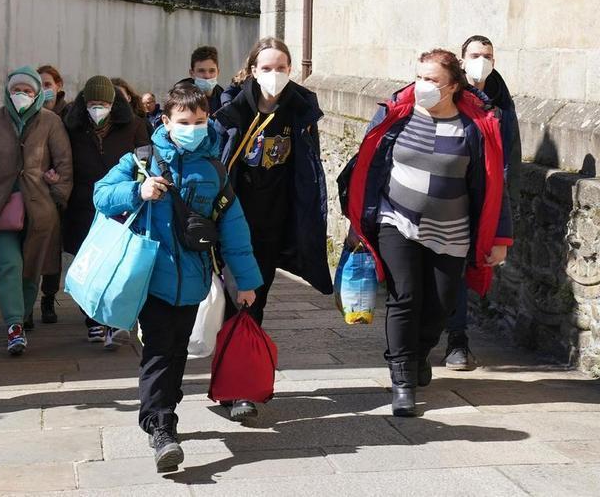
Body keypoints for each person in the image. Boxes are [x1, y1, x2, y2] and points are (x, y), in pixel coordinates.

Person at [94, 85, 262, 473]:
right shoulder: (141, 160)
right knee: (158, 350)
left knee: (176, 351)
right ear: (166, 122)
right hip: (151, 278)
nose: (193, 128)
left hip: (194, 283)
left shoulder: (214, 170)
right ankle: (160, 426)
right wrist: (138, 191)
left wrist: (246, 281)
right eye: (184, 122)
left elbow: (234, 229)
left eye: (200, 121)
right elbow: (101, 195)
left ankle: (165, 413)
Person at [339, 48, 513, 417]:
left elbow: (493, 183)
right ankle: (402, 381)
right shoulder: (395, 115)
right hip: (396, 220)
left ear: (453, 85)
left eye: (431, 79)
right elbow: (367, 166)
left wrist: (500, 236)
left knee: (442, 302)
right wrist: (357, 221)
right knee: (404, 296)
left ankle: (418, 353)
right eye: (419, 77)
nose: (422, 86)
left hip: (450, 229)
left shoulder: (476, 126)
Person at [213, 36, 333, 421]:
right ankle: (233, 382)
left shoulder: (299, 110)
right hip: (232, 221)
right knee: (233, 301)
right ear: (253, 70)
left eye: (281, 67)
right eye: (267, 68)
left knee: (254, 302)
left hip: (274, 223)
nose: (275, 74)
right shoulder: (231, 108)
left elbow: (308, 168)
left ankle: (240, 387)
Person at [0, 66, 73, 355]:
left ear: (36, 94)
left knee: (31, 268)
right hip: (0, 206)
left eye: (27, 90)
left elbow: (64, 163)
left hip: (39, 209)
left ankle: (22, 314)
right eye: (16, 90)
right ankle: (14, 326)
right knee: (9, 264)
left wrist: (57, 195)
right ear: (8, 92)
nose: (21, 94)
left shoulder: (50, 121)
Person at [444, 35, 522, 371]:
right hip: (445, 194)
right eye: (475, 55)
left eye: (487, 55)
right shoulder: (447, 91)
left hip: (481, 197)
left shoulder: (500, 99)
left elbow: (508, 157)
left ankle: (457, 340)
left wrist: (501, 220)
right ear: (461, 60)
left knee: (461, 269)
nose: (482, 61)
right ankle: (422, 339)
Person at [63, 76, 150, 348]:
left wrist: (137, 188)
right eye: (92, 103)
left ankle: (113, 322)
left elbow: (144, 157)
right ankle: (92, 320)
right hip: (82, 204)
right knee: (87, 261)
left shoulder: (134, 125)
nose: (97, 108)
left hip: (120, 202)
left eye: (102, 103)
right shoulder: (72, 126)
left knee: (116, 262)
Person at [37, 64, 72, 325]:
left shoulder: (69, 114)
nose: (44, 90)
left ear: (58, 86)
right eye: (39, 85)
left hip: (63, 188)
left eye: (48, 84)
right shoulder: (30, 114)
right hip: (36, 188)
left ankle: (49, 297)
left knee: (53, 250)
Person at [176, 46, 225, 115]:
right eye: (201, 71)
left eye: (212, 71)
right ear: (192, 73)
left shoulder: (223, 98)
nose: (207, 76)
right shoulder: (179, 95)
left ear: (218, 72)